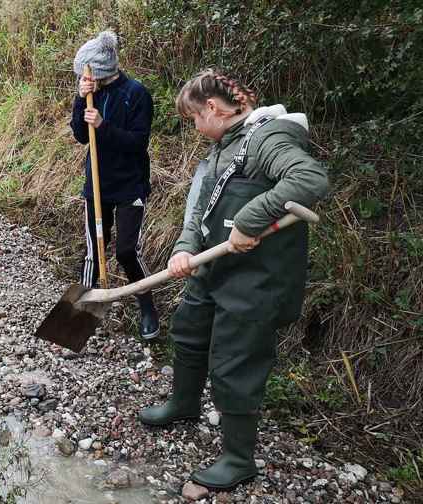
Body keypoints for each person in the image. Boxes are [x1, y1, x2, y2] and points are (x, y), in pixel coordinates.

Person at [138, 69, 328, 490]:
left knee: (233, 363)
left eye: (193, 118)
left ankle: (239, 458)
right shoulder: (224, 146)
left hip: (257, 280)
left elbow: (309, 179)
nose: (194, 127)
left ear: (211, 108)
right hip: (212, 267)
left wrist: (251, 217)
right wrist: (185, 248)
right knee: (188, 332)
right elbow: (201, 206)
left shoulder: (268, 138)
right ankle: (184, 403)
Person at [70, 30, 159, 339]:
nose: (84, 78)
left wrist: (103, 126)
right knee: (94, 251)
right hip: (96, 185)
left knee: (125, 251)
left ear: (102, 70)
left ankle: (147, 306)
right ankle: (80, 314)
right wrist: (81, 103)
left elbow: (137, 143)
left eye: (87, 73)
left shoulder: (136, 94)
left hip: (129, 185)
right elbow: (80, 135)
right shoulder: (88, 92)